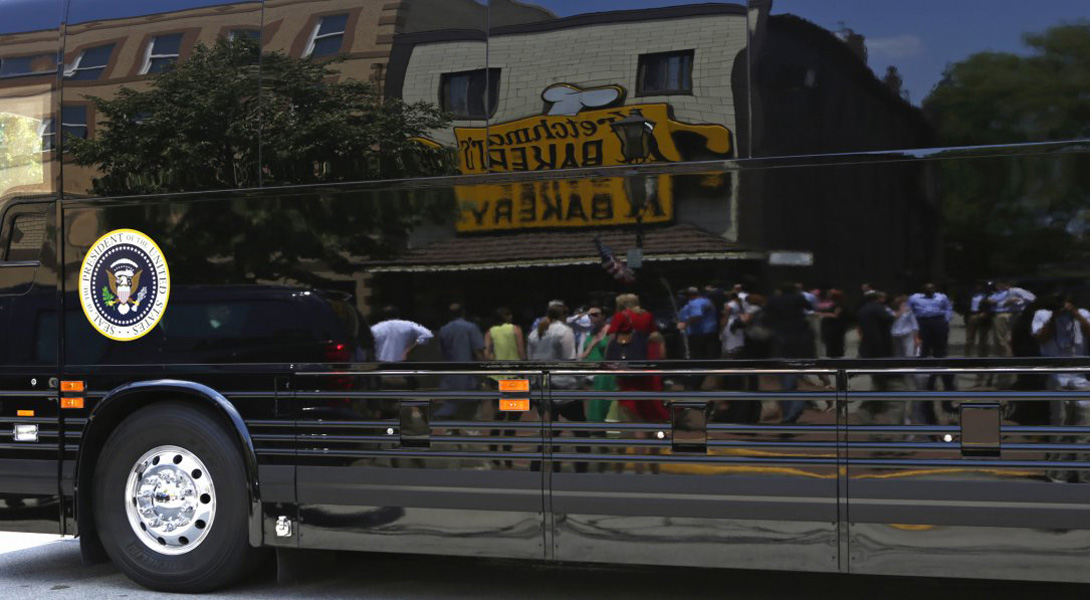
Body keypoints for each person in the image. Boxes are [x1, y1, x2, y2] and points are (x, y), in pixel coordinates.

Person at [764, 283, 817, 422]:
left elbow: (766, 316)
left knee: (786, 379)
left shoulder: (774, 300)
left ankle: (790, 411)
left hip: (781, 339)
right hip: (800, 340)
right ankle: (794, 408)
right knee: (795, 377)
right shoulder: (798, 298)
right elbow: (810, 308)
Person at [907, 283, 956, 391]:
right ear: (923, 290)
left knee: (940, 348)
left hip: (938, 321)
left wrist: (946, 320)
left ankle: (941, 366)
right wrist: (913, 324)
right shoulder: (914, 297)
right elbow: (909, 310)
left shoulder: (941, 297)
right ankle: (925, 371)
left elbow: (948, 308)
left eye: (932, 288)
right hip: (922, 322)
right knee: (924, 346)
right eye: (927, 289)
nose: (930, 290)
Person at [437, 303, 485, 390]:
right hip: (468, 378)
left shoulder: (443, 330)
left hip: (449, 379)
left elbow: (442, 353)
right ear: (463, 312)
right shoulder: (471, 327)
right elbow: (478, 353)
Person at [890, 294, 922, 389]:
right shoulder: (889, 311)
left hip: (907, 334)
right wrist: (900, 311)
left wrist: (916, 338)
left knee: (909, 352)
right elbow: (892, 318)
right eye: (902, 303)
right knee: (898, 353)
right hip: (894, 335)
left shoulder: (909, 311)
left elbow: (914, 325)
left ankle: (910, 371)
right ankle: (900, 372)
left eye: (905, 303)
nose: (904, 305)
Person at [817, 289, 848, 358]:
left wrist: (823, 314)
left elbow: (835, 315)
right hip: (832, 328)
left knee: (834, 347)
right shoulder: (834, 304)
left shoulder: (839, 305)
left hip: (835, 329)